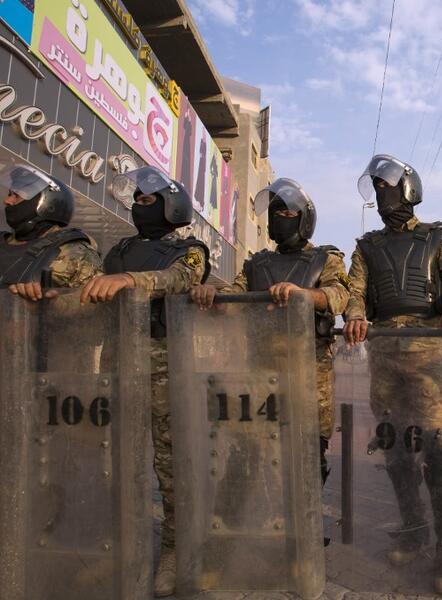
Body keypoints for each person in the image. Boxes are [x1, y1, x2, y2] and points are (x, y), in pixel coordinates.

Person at [343, 154, 442, 597]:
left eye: (389, 188)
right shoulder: (367, 246)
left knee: (437, 451)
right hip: (383, 356)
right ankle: (414, 531)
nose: (382, 196)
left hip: (427, 354)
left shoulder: (437, 237)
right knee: (396, 451)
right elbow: (354, 291)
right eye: (376, 190)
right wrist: (356, 314)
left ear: (409, 190)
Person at [80, 166, 210, 598]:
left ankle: (174, 550)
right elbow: (88, 291)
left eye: (148, 200)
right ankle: (120, 547)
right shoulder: (117, 251)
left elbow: (180, 280)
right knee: (117, 461)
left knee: (171, 466)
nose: (138, 205)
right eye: (135, 199)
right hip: (118, 365)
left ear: (172, 206)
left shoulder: (191, 250)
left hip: (167, 366)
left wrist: (130, 281)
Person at [190, 177, 350, 485]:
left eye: (288, 213)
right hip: (259, 372)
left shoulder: (326, 260)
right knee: (249, 453)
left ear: (305, 219)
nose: (280, 219)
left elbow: (340, 296)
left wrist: (303, 294)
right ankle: (257, 528)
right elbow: (232, 301)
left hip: (309, 374)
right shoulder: (256, 264)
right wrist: (211, 297)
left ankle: (309, 533)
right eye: (275, 213)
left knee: (307, 460)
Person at [0, 164, 101, 296]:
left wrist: (46, 305)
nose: (7, 201)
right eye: (9, 194)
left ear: (46, 203)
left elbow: (93, 309)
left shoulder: (75, 253)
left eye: (16, 195)